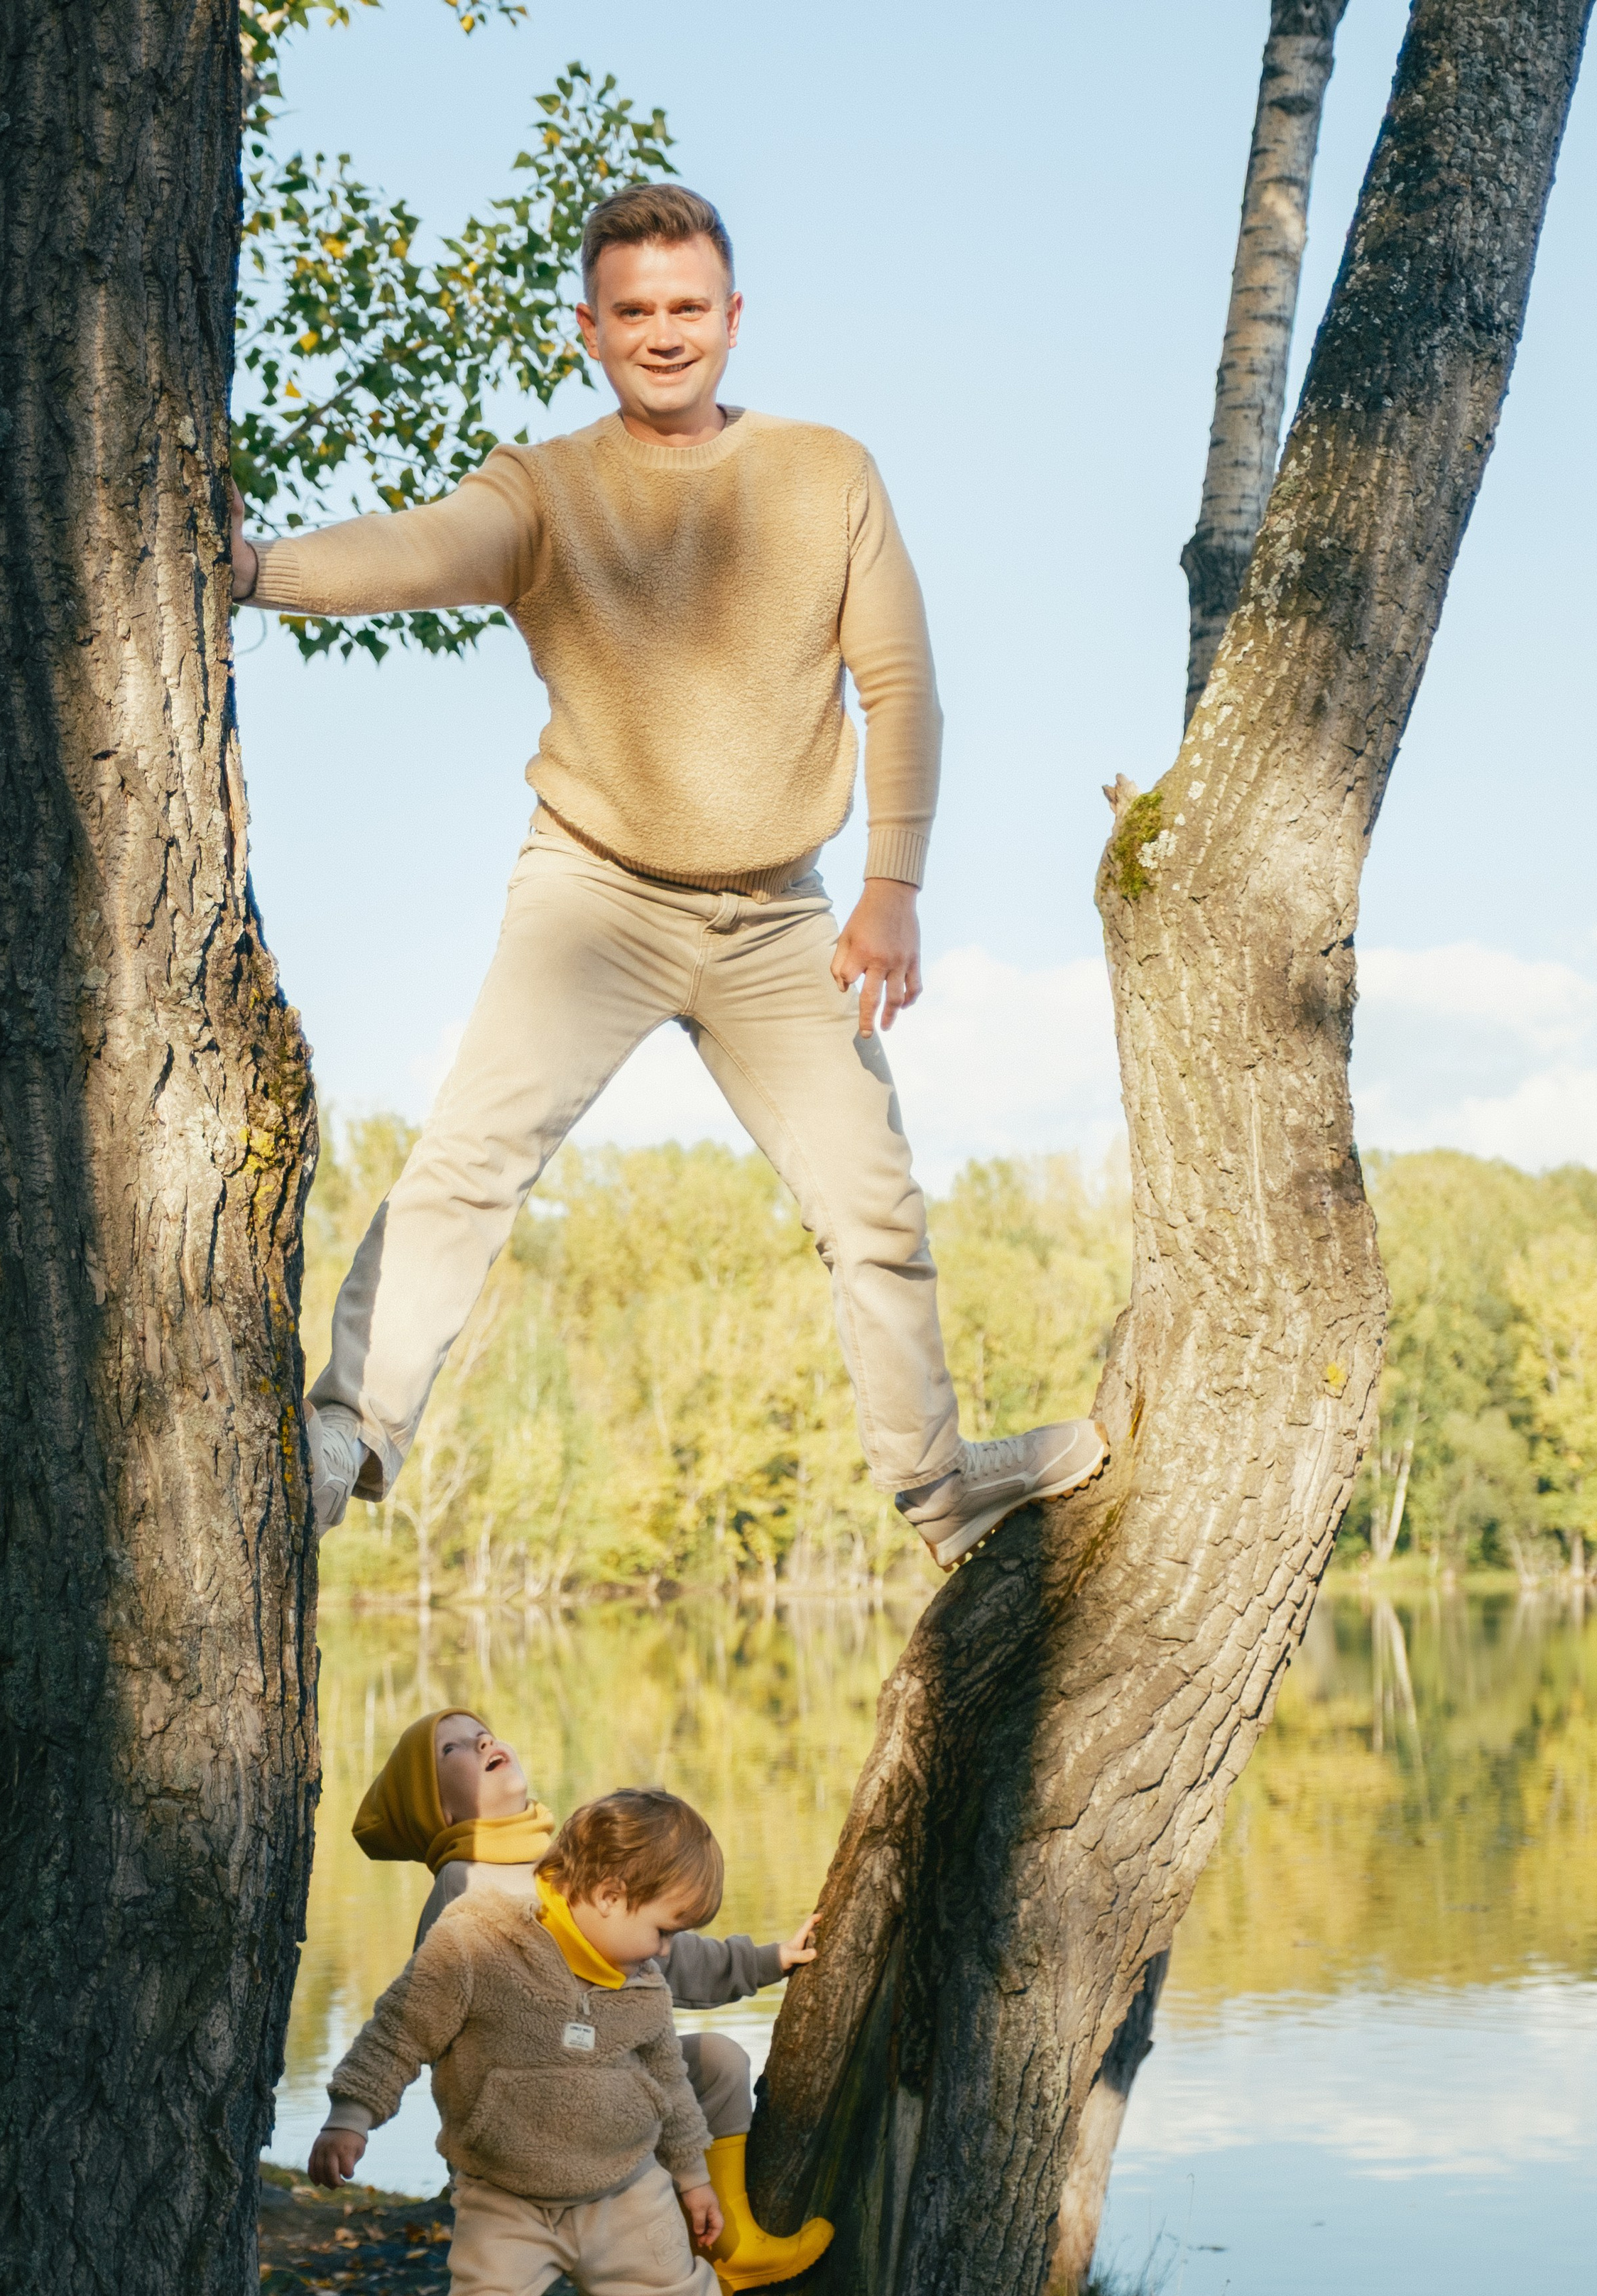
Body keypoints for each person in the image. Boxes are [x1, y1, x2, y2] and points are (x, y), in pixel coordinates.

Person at [233, 182, 1106, 1574]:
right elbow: (413, 549)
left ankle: (938, 1490)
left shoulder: (828, 475)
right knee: (469, 1163)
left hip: (780, 920)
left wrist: (892, 885)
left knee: (873, 1210)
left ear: (732, 317)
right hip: (594, 896)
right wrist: (256, 569)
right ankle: (346, 1434)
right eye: (631, 311)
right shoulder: (544, 491)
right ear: (589, 329)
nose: (661, 332)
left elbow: (899, 682)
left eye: (686, 306)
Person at [309, 1788, 817, 2296]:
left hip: (622, 2188)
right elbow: (400, 2028)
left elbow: (669, 2082)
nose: (664, 1951)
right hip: (506, 2197)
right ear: (609, 1894)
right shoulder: (480, 1939)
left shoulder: (641, 1979)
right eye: (664, 1929)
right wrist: (352, 2115)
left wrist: (691, 2176)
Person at [350, 1704, 833, 2291]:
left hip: (598, 2080)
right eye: (452, 1748)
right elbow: (421, 2013)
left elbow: (665, 1956)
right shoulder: (464, 1884)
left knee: (720, 2063)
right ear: (438, 1809)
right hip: (530, 2125)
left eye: (483, 1733)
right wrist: (361, 2116)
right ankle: (673, 2268)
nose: (481, 1743)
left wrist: (766, 1961)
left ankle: (726, 2244)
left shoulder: (562, 1868)